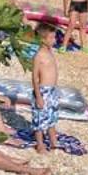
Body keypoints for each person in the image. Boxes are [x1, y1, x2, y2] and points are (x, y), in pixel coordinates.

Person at [30, 26, 63, 157]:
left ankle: (53, 141)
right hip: (43, 91)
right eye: (52, 38)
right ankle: (40, 144)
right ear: (43, 40)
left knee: (52, 118)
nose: (54, 40)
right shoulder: (39, 56)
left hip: (52, 90)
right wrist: (38, 96)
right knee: (39, 119)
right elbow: (34, 77)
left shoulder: (50, 51)